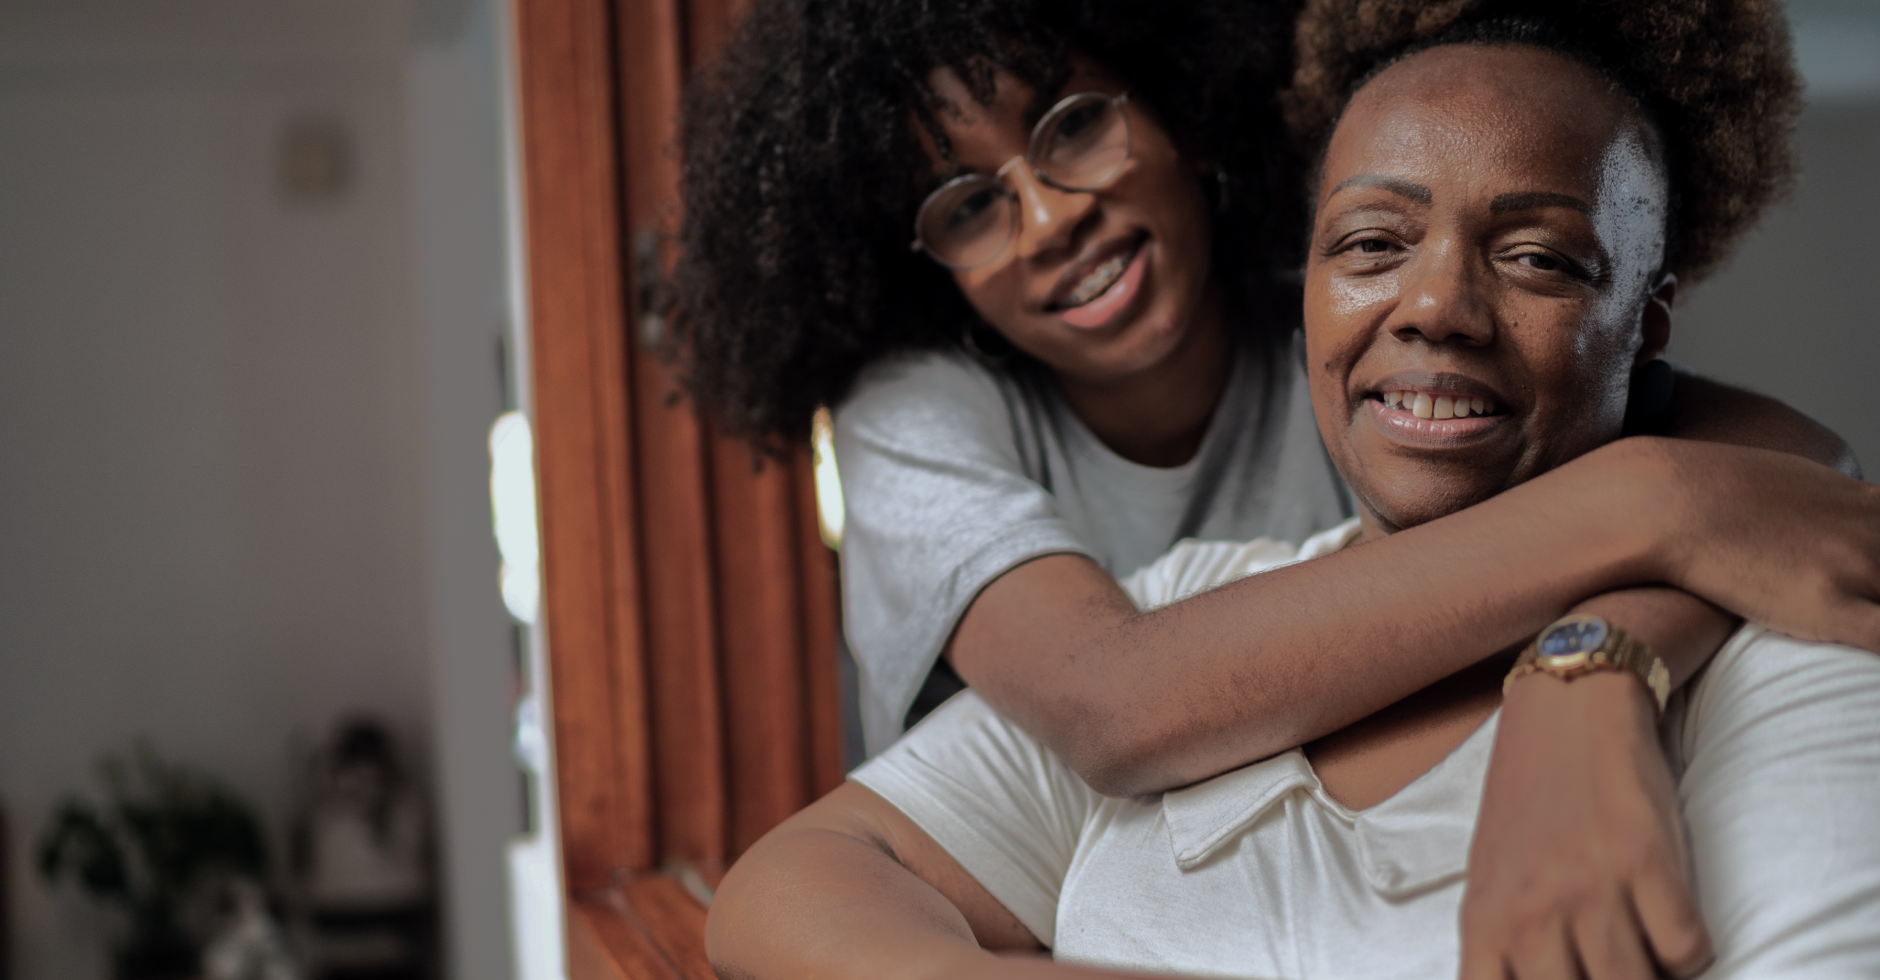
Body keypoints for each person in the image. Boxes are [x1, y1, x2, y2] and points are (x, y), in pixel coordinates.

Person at [674, 0, 1880, 970]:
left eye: (1074, 128)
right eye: (969, 204)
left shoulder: (1343, 311)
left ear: (1186, 111)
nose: (1044, 219)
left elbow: (1772, 480)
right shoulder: (947, 429)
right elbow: (1112, 699)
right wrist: (1648, 511)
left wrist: (1592, 665)